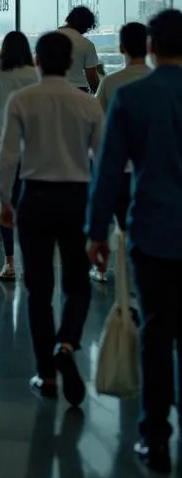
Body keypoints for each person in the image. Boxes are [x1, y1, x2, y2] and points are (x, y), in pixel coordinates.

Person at [87, 9, 182, 473]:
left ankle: (155, 436)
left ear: (149, 47)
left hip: (153, 231)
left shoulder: (133, 97)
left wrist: (96, 231)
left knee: (157, 333)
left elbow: (108, 170)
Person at [0, 31, 103, 406]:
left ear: (37, 61)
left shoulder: (22, 100)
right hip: (77, 198)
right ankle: (68, 344)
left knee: (38, 290)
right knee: (78, 283)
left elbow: (8, 156)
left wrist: (4, 200)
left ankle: (47, 373)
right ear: (72, 63)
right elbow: (101, 162)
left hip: (35, 198)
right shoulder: (87, 104)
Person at [89, 21, 151, 282]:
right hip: (152, 170)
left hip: (121, 170)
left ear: (121, 47)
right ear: (148, 46)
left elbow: (98, 124)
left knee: (121, 223)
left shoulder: (112, 83)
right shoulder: (158, 81)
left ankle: (111, 270)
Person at [0, 30, 38, 281]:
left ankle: (9, 262)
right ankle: (32, 260)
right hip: (31, 143)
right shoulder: (34, 73)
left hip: (1, 139)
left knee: (6, 201)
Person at [57, 5, 101, 93]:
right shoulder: (87, 44)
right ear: (87, 27)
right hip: (78, 90)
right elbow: (92, 78)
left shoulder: (47, 39)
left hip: (51, 88)